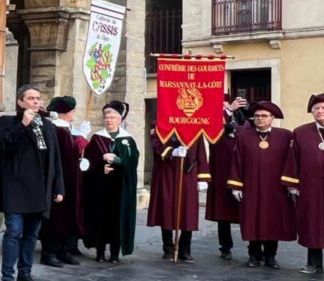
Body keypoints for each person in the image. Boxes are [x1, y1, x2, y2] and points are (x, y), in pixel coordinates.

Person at [0, 84, 64, 281]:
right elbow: (5, 146)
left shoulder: (48, 126)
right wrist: (23, 124)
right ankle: (7, 278)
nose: (35, 102)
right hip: (15, 189)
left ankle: (25, 274)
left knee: (31, 235)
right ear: (20, 102)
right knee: (13, 232)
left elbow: (55, 160)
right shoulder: (7, 122)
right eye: (31, 98)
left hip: (39, 190)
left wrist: (58, 187)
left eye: (38, 98)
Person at [227, 101, 295, 268]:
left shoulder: (285, 136)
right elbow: (237, 162)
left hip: (276, 189)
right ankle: (254, 255)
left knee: (274, 221)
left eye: (264, 116)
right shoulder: (243, 137)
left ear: (272, 118)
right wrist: (236, 185)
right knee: (252, 220)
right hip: (251, 187)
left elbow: (291, 162)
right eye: (256, 116)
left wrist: (290, 184)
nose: (259, 119)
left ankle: (271, 256)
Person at [82, 101, 140, 263]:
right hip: (101, 187)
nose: (109, 120)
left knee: (117, 219)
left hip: (120, 188)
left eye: (112, 117)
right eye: (106, 117)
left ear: (119, 119)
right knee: (101, 218)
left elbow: (132, 161)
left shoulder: (127, 139)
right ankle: (100, 251)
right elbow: (88, 162)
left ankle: (114, 253)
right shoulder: (97, 138)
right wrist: (101, 167)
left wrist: (118, 160)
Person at [40, 96, 89, 266]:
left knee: (69, 215)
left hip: (71, 179)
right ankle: (50, 252)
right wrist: (82, 138)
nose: (75, 114)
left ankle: (64, 250)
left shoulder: (66, 129)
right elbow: (68, 154)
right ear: (66, 113)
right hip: (61, 179)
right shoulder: (58, 130)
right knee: (57, 217)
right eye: (73, 111)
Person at [147, 131, 209, 262]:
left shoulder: (195, 128)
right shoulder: (160, 126)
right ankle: (168, 248)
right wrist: (172, 151)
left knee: (188, 212)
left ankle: (185, 249)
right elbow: (156, 144)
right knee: (167, 210)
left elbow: (201, 154)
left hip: (188, 174)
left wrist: (202, 176)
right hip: (166, 172)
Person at [281, 94, 324, 274]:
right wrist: (292, 184)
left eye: (323, 108)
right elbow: (293, 160)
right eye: (316, 109)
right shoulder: (301, 132)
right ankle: (313, 263)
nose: (319, 112)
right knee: (312, 223)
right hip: (310, 187)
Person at [206, 96, 248, 260]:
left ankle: (253, 247)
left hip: (243, 173)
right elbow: (215, 128)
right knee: (223, 214)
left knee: (247, 211)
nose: (226, 107)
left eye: (227, 105)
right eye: (222, 106)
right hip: (222, 173)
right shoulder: (213, 124)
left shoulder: (244, 123)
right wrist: (228, 110)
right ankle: (225, 247)